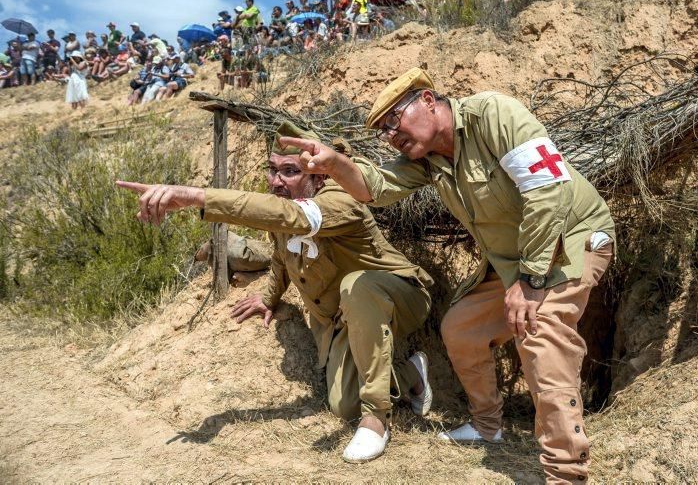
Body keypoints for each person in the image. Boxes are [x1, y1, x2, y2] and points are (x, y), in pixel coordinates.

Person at [280, 67, 616, 483]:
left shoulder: (493, 114)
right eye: (383, 130)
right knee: (461, 327)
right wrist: (335, 165)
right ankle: (488, 427)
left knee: (541, 330)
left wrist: (529, 281)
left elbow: (548, 191)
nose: (390, 134)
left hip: (571, 241)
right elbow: (376, 188)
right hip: (515, 263)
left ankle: (566, 471)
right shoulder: (427, 159)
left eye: (393, 119)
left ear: (427, 100)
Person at [115, 121, 435, 464]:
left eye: (289, 171)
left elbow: (295, 218)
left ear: (319, 176)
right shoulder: (286, 208)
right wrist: (269, 298)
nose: (276, 181)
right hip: (342, 317)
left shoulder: (342, 198)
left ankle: (377, 421)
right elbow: (283, 258)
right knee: (343, 406)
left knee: (355, 286)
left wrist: (196, 197)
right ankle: (412, 374)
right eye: (272, 170)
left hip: (397, 296)